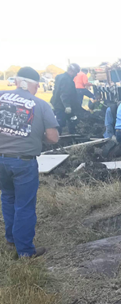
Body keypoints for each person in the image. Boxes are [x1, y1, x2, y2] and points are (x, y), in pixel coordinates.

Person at [0, 67, 59, 258]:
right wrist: (36, 136)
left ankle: (11, 239)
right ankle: (25, 251)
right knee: (24, 205)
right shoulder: (41, 105)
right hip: (23, 162)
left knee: (8, 197)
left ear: (17, 82)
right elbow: (53, 137)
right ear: (31, 84)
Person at [51, 64, 81, 134]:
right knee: (62, 122)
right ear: (71, 71)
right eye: (76, 73)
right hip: (63, 106)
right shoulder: (67, 80)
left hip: (57, 103)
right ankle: (59, 138)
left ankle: (63, 136)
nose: (76, 75)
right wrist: (67, 106)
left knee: (63, 120)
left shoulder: (60, 77)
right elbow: (64, 93)